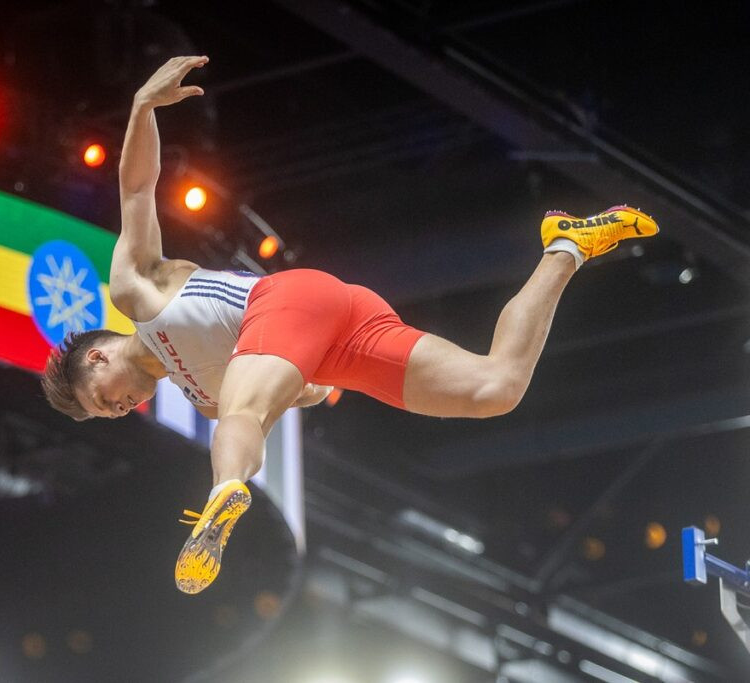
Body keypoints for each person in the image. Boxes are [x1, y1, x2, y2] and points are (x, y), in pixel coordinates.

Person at [41, 56, 659, 594]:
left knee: (240, 418)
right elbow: (303, 386)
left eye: (104, 401)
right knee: (494, 389)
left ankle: (222, 495)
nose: (119, 408)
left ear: (96, 359)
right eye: (110, 415)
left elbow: (138, 189)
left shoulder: (136, 291)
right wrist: (304, 390)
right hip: (338, 338)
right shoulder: (202, 393)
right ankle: (567, 247)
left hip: (291, 298)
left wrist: (142, 106)